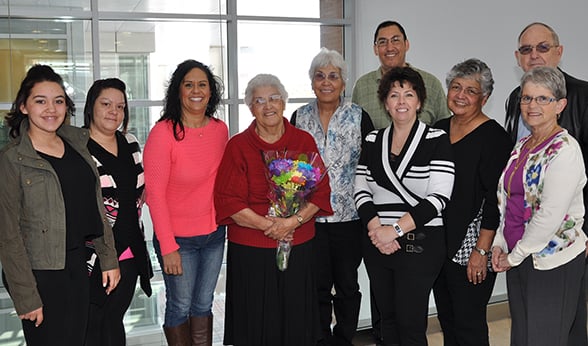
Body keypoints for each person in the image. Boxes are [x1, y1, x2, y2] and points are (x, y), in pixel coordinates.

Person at [0, 65, 120, 346]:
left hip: (77, 264)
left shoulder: (77, 145)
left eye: (58, 101)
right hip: (40, 274)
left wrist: (108, 258)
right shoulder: (11, 159)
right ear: (24, 107)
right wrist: (27, 297)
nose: (51, 109)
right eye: (40, 101)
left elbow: (97, 208)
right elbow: (8, 235)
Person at [214, 73, 333, 346]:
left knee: (296, 322)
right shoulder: (238, 146)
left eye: (274, 98)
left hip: (299, 248)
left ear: (284, 102)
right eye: (259, 101)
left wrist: (292, 222)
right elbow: (229, 202)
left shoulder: (303, 142)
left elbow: (322, 193)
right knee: (256, 323)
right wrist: (272, 226)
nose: (268, 106)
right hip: (251, 252)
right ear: (250, 107)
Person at [354, 66, 454, 346]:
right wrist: (377, 230)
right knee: (387, 321)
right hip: (378, 244)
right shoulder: (374, 140)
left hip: (421, 244)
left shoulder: (436, 139)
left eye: (408, 94)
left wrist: (394, 230)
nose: (401, 101)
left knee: (410, 323)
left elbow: (439, 198)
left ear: (419, 102)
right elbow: (360, 189)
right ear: (385, 102)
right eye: (394, 95)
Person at [504, 22, 588, 344]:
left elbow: (556, 201)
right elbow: (513, 186)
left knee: (556, 330)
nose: (534, 55)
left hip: (561, 243)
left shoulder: (582, 97)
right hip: (525, 247)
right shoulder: (515, 101)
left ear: (559, 52)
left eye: (542, 47)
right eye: (526, 49)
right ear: (518, 57)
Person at [291, 48, 374, 346]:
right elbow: (290, 168)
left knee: (348, 286)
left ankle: (343, 339)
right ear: (312, 81)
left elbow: (369, 166)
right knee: (317, 286)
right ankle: (320, 338)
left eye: (333, 76)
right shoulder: (298, 116)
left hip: (349, 219)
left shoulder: (358, 116)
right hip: (309, 219)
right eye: (320, 76)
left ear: (343, 82)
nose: (326, 82)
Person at [143, 59, 228, 345]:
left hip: (214, 234)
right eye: (188, 84)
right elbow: (154, 195)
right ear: (178, 91)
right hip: (178, 239)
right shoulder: (163, 133)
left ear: (211, 91)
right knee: (180, 306)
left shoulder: (220, 130)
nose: (196, 90)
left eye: (202, 84)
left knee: (203, 304)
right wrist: (168, 247)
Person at [432, 59, 512, 346]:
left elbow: (496, 200)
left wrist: (481, 251)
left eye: (471, 90)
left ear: (485, 98)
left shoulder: (495, 138)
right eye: (456, 87)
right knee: (448, 322)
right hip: (439, 245)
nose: (460, 95)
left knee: (469, 325)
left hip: (472, 247)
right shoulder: (438, 130)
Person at [83, 78, 153, 346]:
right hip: (95, 254)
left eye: (120, 106)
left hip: (130, 251)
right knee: (92, 323)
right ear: (92, 106)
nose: (114, 111)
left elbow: (139, 191)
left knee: (114, 320)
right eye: (106, 104)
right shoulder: (77, 148)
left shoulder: (131, 142)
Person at [352, 20, 450, 130]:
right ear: (375, 49)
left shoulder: (431, 84)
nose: (389, 47)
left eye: (395, 40)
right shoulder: (362, 86)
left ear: (406, 45)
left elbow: (446, 127)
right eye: (383, 42)